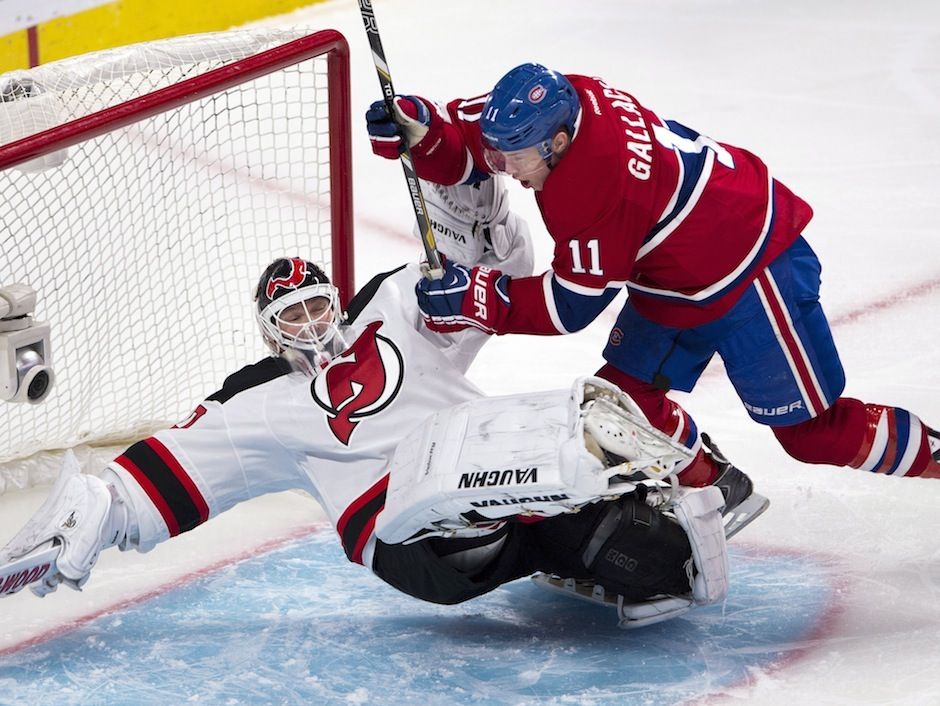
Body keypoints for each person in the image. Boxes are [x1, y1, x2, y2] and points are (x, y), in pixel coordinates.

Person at [0, 178, 732, 629]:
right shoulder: (258, 401)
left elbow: (503, 268)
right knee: (454, 493)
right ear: (268, 331)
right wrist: (97, 509)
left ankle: (634, 508)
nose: (313, 326)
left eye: (319, 307)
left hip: (490, 481)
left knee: (645, 545)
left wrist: (467, 192)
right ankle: (554, 526)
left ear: (337, 303)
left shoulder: (398, 301)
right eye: (293, 318)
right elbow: (161, 480)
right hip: (408, 540)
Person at [365, 64, 940, 490]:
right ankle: (717, 494)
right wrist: (424, 132)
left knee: (814, 436)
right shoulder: (558, 99)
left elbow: (572, 307)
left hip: (750, 270)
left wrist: (481, 298)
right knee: (622, 409)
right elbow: (468, 138)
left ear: (559, 144)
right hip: (675, 275)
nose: (506, 173)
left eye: (517, 161)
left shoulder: (597, 190)